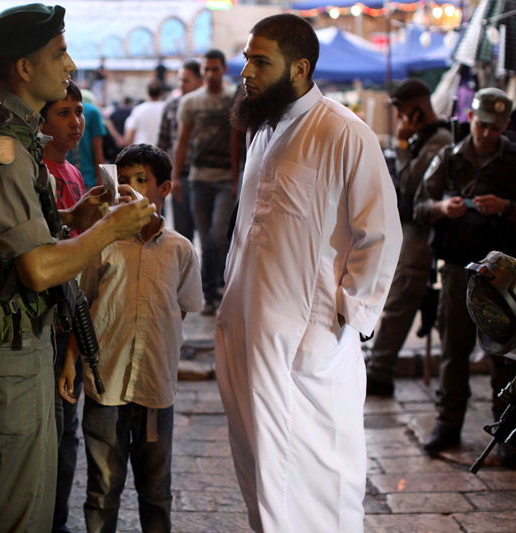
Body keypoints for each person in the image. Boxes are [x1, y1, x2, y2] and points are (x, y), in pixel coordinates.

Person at [0, 5, 155, 531]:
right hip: (8, 348)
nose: (69, 64)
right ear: (23, 67)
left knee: (33, 498)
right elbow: (38, 268)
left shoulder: (12, 133)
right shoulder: (0, 146)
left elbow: (18, 231)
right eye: (59, 53)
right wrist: (112, 228)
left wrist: (76, 215)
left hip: (25, 342)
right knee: (6, 504)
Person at [216, 14, 401, 531]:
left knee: (319, 475)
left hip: (312, 338)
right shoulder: (263, 131)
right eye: (247, 59)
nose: (246, 72)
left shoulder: (344, 132)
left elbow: (381, 234)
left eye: (260, 61)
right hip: (250, 331)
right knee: (260, 466)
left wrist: (345, 317)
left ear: (299, 68)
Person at [58, 144, 202, 532]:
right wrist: (71, 360)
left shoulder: (180, 251)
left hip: (156, 388)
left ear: (165, 188)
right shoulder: (100, 244)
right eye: (123, 181)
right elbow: (83, 305)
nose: (131, 189)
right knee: (102, 489)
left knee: (156, 491)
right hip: (105, 382)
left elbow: (183, 308)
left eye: (142, 181)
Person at [414, 87, 516, 466]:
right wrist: (444, 207)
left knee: (506, 354)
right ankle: (447, 425)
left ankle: (507, 433)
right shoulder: (449, 157)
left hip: (505, 277)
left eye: (495, 127)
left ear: (506, 125)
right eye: (482, 124)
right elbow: (420, 206)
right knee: (454, 349)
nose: (487, 133)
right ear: (471, 118)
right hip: (460, 268)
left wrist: (507, 207)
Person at [366, 79, 452, 397]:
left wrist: (402, 147)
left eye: (402, 112)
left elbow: (409, 183)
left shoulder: (438, 140)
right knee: (400, 299)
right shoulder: (426, 138)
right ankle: (379, 368)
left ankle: (379, 371)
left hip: (423, 234)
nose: (401, 120)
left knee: (401, 300)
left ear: (416, 110)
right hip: (412, 230)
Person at [40, 79, 86, 533]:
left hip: (70, 318)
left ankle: (57, 519)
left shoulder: (72, 173)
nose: (76, 122)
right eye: (63, 113)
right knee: (53, 429)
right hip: (45, 321)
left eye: (79, 111)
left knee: (66, 428)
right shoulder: (37, 173)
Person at [171, 49, 236, 315]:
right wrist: (175, 176)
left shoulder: (232, 98)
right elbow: (182, 141)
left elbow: (236, 139)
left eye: (215, 69)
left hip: (223, 178)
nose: (210, 74)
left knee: (218, 235)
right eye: (206, 69)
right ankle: (210, 292)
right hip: (198, 177)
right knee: (204, 237)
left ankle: (220, 286)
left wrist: (235, 176)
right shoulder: (191, 102)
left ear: (223, 70)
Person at [158, 60, 203, 243]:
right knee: (183, 234)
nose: (181, 85)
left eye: (186, 81)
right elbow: (163, 142)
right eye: (180, 81)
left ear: (200, 81)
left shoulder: (209, 105)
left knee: (210, 236)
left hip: (205, 176)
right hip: (181, 176)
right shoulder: (172, 105)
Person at [69, 92, 107, 188]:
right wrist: (101, 183)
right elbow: (98, 150)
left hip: (64, 179)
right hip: (88, 179)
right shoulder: (93, 111)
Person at [123, 81, 165, 147]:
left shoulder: (138, 110)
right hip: (162, 152)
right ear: (161, 93)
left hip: (141, 152)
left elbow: (129, 137)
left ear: (147, 93)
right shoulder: (166, 108)